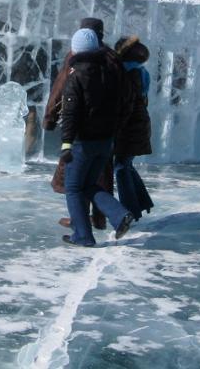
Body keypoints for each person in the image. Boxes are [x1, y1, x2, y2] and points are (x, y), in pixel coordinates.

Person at [59, 27, 134, 247]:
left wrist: (66, 143)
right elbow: (122, 105)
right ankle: (119, 214)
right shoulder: (110, 73)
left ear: (75, 50)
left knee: (73, 188)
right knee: (88, 184)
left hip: (83, 142)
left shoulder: (76, 77)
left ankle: (83, 236)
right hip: (105, 141)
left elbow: (70, 113)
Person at [45, 18, 119, 230]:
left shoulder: (76, 60)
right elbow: (121, 95)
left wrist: (50, 117)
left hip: (81, 134)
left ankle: (81, 223)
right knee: (101, 175)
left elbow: (62, 90)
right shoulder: (112, 58)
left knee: (76, 182)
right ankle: (100, 217)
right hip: (107, 131)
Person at [113, 36, 154, 220]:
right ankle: (142, 202)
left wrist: (116, 128)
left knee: (121, 167)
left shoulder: (127, 75)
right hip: (138, 125)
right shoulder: (140, 72)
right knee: (125, 165)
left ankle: (130, 211)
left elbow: (126, 106)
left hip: (130, 128)